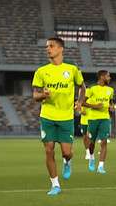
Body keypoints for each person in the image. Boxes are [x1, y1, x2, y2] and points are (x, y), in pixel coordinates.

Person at [32, 37, 86, 196]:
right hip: (47, 116)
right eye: (47, 47)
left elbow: (82, 87)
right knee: (49, 150)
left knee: (66, 152)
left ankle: (67, 161)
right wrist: (43, 94)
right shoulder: (41, 71)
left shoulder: (72, 69)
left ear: (61, 49)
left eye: (51, 46)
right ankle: (55, 184)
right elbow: (35, 95)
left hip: (66, 117)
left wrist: (80, 102)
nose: (48, 49)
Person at [84, 70, 115, 174]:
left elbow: (111, 102)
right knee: (92, 142)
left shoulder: (110, 90)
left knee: (104, 141)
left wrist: (111, 108)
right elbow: (82, 102)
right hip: (93, 118)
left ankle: (101, 166)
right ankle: (92, 157)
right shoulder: (91, 89)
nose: (109, 78)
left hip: (105, 118)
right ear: (102, 77)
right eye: (108, 76)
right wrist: (95, 106)